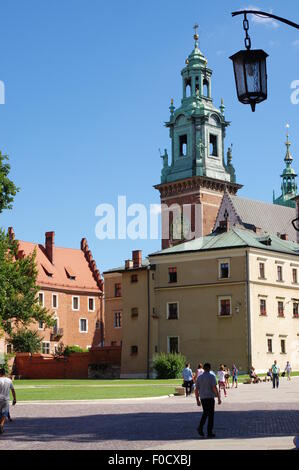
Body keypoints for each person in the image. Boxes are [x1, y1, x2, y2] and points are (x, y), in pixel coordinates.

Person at [195, 363, 221, 438]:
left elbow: (196, 390)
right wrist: (218, 397)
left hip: (203, 398)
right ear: (209, 368)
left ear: (204, 368)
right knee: (211, 415)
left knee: (205, 413)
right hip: (210, 397)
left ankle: (200, 427)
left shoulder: (199, 378)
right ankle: (209, 432)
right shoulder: (212, 376)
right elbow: (214, 388)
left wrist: (197, 400)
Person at [0, 368, 17, 434]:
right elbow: (13, 390)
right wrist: (14, 399)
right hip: (6, 399)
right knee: (5, 413)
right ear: (4, 373)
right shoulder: (9, 380)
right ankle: (1, 425)